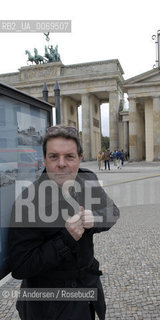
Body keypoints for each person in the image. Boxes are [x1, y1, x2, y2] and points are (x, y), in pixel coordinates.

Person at [8, 125, 120, 320]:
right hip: (49, 305)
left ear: (79, 158)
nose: (61, 164)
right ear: (44, 159)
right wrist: (65, 240)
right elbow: (20, 267)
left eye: (69, 156)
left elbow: (113, 212)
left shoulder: (88, 179)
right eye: (54, 157)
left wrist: (96, 218)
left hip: (87, 294)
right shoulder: (28, 202)